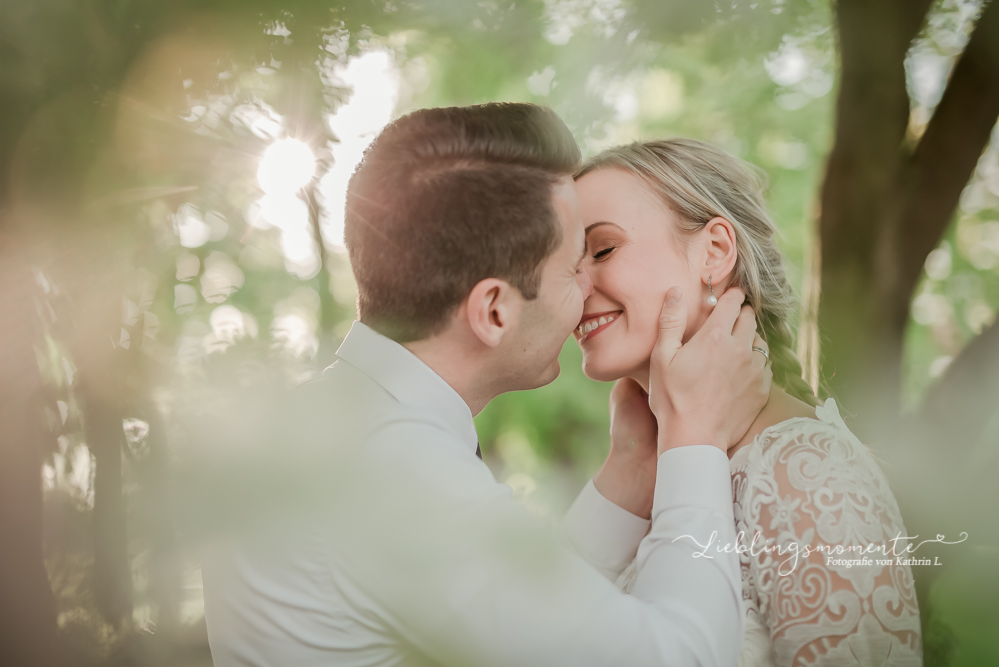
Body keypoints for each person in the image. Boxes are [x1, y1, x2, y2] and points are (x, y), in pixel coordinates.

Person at [201, 104, 772, 666]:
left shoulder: (338, 422)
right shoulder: (394, 468)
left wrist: (632, 466)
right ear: (494, 311)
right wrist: (693, 436)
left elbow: (519, 618)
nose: (588, 288)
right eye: (577, 264)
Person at [572, 138, 923, 666]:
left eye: (601, 250)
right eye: (567, 264)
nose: (575, 287)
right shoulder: (652, 471)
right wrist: (632, 461)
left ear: (714, 251)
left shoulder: (807, 475)